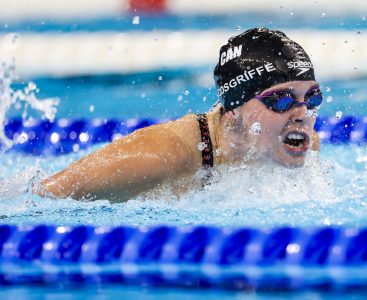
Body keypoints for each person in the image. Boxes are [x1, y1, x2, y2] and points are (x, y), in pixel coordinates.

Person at [38, 27, 322, 202]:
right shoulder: (159, 157)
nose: (302, 114)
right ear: (234, 110)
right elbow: (39, 198)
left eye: (311, 98)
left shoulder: (300, 143)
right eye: (281, 100)